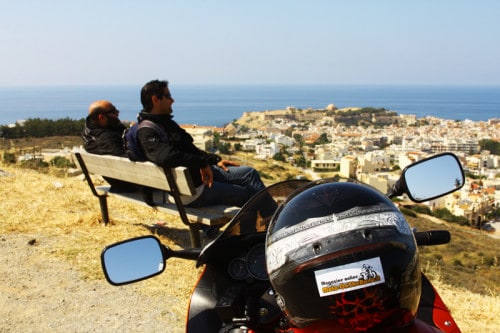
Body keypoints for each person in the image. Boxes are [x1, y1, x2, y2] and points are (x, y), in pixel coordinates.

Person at [135, 79, 266, 208]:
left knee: (249, 173)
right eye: (168, 96)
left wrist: (214, 160)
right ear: (155, 100)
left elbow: (189, 150)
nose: (172, 100)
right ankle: (273, 224)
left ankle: (270, 219)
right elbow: (165, 157)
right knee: (247, 194)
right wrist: (201, 163)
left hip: (193, 180)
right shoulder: (147, 131)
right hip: (193, 191)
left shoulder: (163, 123)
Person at [82, 100, 138, 193]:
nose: (118, 112)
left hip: (117, 181)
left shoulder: (89, 130)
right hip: (131, 184)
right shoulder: (107, 139)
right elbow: (127, 160)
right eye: (113, 111)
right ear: (102, 117)